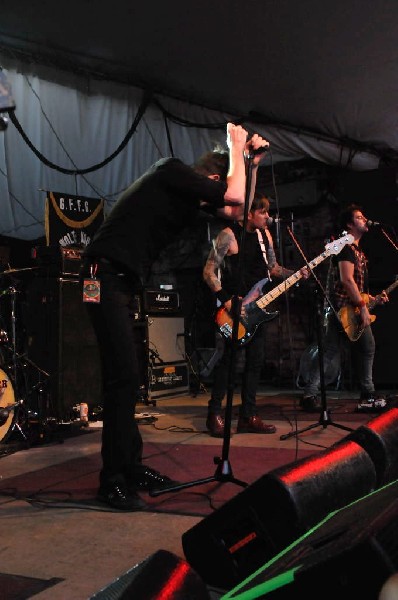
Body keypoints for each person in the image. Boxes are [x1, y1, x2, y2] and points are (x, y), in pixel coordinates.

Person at [81, 123, 270, 510]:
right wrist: (236, 145)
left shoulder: (188, 200)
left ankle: (130, 467)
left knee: (128, 379)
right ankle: (111, 481)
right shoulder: (170, 169)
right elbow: (233, 194)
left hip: (122, 280)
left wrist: (252, 165)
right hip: (102, 275)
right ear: (212, 178)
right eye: (221, 181)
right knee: (123, 377)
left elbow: (237, 206)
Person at [203, 192, 310, 437]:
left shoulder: (265, 236)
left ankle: (248, 416)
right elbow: (208, 272)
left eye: (267, 212)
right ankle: (214, 413)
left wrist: (295, 273)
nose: (267, 216)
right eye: (262, 212)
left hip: (258, 310)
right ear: (249, 213)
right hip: (234, 308)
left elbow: (272, 268)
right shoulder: (228, 235)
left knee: (255, 363)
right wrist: (227, 300)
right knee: (229, 363)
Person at [301, 204, 389, 412]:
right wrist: (363, 307)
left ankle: (309, 394)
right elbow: (347, 281)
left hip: (348, 309)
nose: (365, 219)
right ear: (349, 224)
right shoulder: (345, 248)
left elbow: (356, 287)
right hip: (342, 309)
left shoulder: (358, 252)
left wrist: (373, 299)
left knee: (333, 351)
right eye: (359, 217)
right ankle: (367, 393)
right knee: (365, 347)